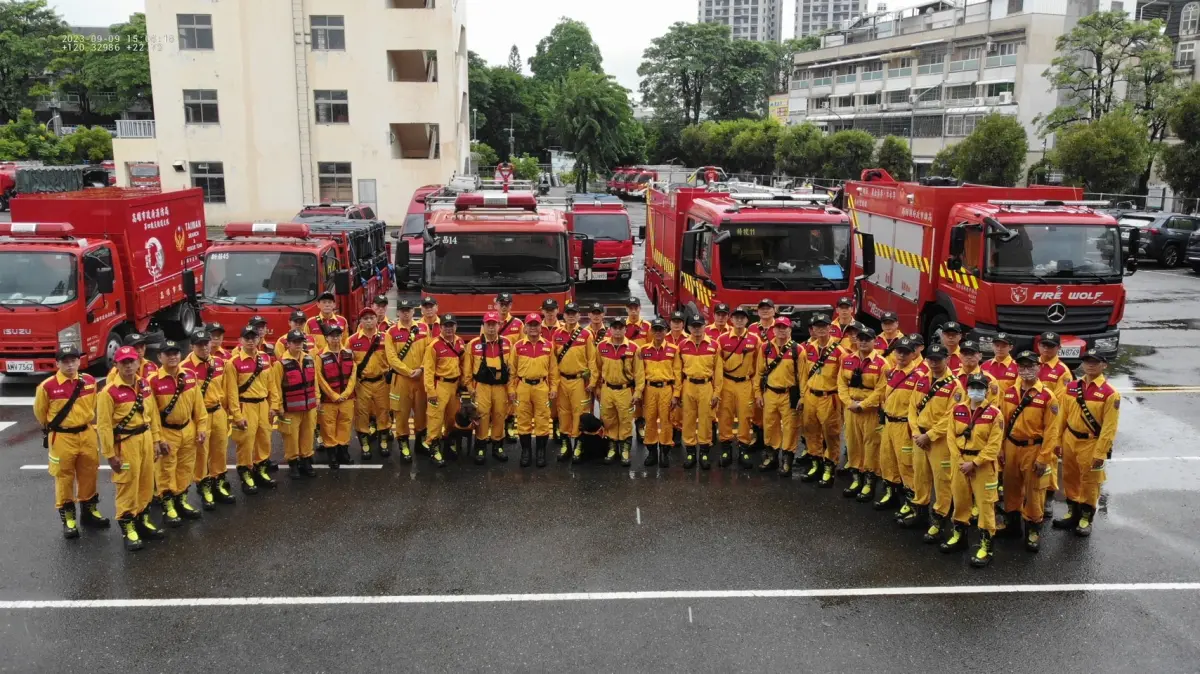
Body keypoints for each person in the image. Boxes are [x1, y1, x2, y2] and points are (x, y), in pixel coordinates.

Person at [98, 346, 169, 551]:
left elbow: (153, 415)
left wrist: (156, 441)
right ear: (116, 365)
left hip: (145, 438)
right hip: (126, 442)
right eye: (124, 362)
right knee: (127, 485)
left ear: (138, 362)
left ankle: (142, 521)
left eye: (132, 361)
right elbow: (103, 426)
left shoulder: (145, 385)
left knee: (146, 483)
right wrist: (110, 455)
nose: (128, 366)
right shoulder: (108, 392)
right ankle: (128, 527)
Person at [34, 344, 106, 539]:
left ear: (79, 361)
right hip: (62, 437)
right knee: (64, 477)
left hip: (87, 433)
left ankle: (89, 512)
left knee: (90, 472)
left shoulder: (89, 381)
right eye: (65, 361)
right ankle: (69, 519)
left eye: (73, 360)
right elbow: (41, 414)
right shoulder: (47, 386)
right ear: (57, 363)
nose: (70, 364)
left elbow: (93, 406)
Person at [1052, 350, 1120, 537]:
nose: (1090, 365)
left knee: (1090, 482)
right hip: (1070, 439)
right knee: (1069, 478)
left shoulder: (1110, 393)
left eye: (1095, 362)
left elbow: (1109, 427)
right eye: (1087, 361)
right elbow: (1062, 416)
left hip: (1091, 442)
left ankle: (1086, 517)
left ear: (1104, 365)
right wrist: (1058, 440)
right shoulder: (1072, 387)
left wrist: (1101, 453)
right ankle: (1072, 512)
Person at [999, 350, 1061, 552]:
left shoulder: (1047, 397)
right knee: (1010, 487)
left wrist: (1044, 458)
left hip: (1033, 449)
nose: (1026, 370)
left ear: (1039, 367)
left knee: (1034, 491)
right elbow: (1003, 424)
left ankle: (1033, 529)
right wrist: (1001, 449)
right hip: (1011, 446)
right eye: (1022, 366)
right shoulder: (1009, 392)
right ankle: (1012, 525)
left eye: (1030, 366)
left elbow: (1052, 432)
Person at [907, 344, 965, 543]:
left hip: (938, 441)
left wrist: (928, 436)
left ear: (947, 359)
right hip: (919, 438)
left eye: (938, 359)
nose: (933, 363)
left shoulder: (955, 386)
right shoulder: (922, 380)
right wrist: (916, 432)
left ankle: (940, 520)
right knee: (920, 476)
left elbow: (950, 417)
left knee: (942, 481)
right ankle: (920, 512)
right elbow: (912, 409)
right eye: (930, 359)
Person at [945, 374, 1004, 567]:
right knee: (960, 501)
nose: (975, 391)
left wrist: (975, 463)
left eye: (980, 387)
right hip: (960, 462)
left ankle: (986, 546)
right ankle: (959, 537)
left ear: (987, 390)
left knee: (985, 505)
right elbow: (951, 438)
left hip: (983, 466)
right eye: (972, 386)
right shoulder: (957, 410)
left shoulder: (994, 413)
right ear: (966, 388)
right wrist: (960, 461)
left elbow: (994, 445)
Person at [149, 340, 208, 526]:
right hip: (167, 432)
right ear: (160, 357)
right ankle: (168, 506)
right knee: (166, 470)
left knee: (185, 468)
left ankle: (181, 500)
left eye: (175, 353)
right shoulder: (152, 381)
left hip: (188, 429)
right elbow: (151, 415)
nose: (173, 356)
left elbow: (199, 406)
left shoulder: (189, 376)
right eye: (168, 353)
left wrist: (201, 428)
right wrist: (157, 439)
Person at [225, 326, 282, 493]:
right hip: (245, 405)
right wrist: (236, 414)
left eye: (253, 337)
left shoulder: (265, 358)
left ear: (259, 339)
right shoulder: (233, 363)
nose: (250, 341)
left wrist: (274, 405)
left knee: (264, 438)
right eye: (247, 338)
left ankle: (261, 469)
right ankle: (246, 473)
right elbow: (232, 392)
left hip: (263, 404)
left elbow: (271, 384)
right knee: (246, 441)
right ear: (240, 341)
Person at [182, 330, 234, 509]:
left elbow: (228, 390)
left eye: (206, 343)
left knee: (220, 449)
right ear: (191, 346)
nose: (204, 348)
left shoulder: (220, 363)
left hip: (218, 412)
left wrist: (231, 412)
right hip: (199, 417)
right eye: (199, 345)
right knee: (201, 454)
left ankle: (218, 482)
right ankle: (204, 487)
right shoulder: (184, 368)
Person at [838, 328, 888, 499]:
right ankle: (856, 479)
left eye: (867, 339)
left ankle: (869, 482)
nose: (863, 342)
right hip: (851, 408)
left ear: (875, 341)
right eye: (860, 339)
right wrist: (849, 403)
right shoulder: (847, 360)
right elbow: (841, 384)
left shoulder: (882, 363)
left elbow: (881, 390)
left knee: (871, 445)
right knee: (852, 444)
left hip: (870, 412)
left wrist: (863, 405)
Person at [877, 338, 924, 513]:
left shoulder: (919, 377)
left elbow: (919, 406)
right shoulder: (892, 372)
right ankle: (892, 494)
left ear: (913, 354)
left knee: (906, 465)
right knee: (887, 460)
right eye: (899, 351)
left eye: (906, 352)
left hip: (905, 427)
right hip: (889, 423)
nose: (902, 355)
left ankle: (912, 501)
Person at [798, 313, 846, 485]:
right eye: (817, 327)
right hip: (811, 395)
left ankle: (829, 467)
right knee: (811, 431)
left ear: (829, 328)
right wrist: (803, 397)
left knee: (831, 434)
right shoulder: (808, 349)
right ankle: (815, 463)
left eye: (823, 326)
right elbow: (803, 376)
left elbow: (843, 380)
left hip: (829, 398)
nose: (820, 330)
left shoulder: (840, 352)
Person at [675, 314, 723, 470]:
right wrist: (677, 393)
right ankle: (690, 453)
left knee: (706, 420)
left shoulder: (714, 345)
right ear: (688, 328)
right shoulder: (682, 346)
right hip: (688, 385)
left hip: (706, 386)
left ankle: (703, 452)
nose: (696, 329)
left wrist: (716, 393)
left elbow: (718, 372)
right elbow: (677, 372)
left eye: (699, 326)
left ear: (705, 327)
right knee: (688, 419)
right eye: (693, 326)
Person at [510, 314, 559, 467]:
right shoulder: (517, 346)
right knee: (523, 420)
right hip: (523, 387)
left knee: (543, 420)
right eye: (530, 325)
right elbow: (512, 370)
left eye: (536, 325)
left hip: (541, 387)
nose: (533, 328)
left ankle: (540, 452)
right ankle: (526, 452)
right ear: (525, 327)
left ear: (540, 327)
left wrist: (554, 387)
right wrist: (511, 389)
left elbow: (553, 370)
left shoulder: (548, 346)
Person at [464, 312, 512, 465]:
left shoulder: (507, 344)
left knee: (499, 415)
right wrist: (470, 388)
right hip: (482, 387)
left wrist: (511, 390)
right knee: (482, 416)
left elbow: (511, 370)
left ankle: (498, 446)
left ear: (499, 325)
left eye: (494, 324)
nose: (491, 327)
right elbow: (467, 370)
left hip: (500, 388)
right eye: (488, 324)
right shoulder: (473, 344)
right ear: (483, 325)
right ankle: (480, 447)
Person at [551, 302, 597, 463]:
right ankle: (565, 445)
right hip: (562, 380)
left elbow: (592, 360)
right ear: (563, 316)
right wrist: (554, 383)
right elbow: (553, 362)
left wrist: (592, 381)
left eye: (574, 313)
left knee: (579, 414)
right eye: (568, 313)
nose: (571, 316)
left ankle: (579, 445)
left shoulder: (586, 335)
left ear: (579, 315)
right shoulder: (557, 334)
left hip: (579, 381)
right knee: (563, 414)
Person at [386, 299, 430, 461]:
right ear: (397, 312)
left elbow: (429, 352)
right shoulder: (390, 333)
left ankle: (420, 443)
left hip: (420, 379)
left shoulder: (423, 329)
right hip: (401, 381)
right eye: (402, 310)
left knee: (421, 413)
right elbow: (391, 358)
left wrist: (422, 369)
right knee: (401, 414)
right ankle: (404, 445)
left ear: (414, 311)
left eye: (409, 309)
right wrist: (409, 371)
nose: (406, 313)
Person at [755, 317, 801, 474]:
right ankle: (771, 457)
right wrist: (758, 394)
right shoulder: (765, 348)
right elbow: (759, 373)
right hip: (770, 393)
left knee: (790, 428)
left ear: (790, 330)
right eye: (778, 327)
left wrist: (802, 398)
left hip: (789, 395)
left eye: (785, 327)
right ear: (773, 330)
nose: (781, 330)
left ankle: (787, 460)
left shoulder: (798, 350)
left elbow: (803, 377)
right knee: (770, 426)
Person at [596, 316, 643, 465]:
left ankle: (625, 450)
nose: (617, 330)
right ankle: (612, 448)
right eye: (614, 327)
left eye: (620, 327)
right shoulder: (601, 347)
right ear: (610, 329)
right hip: (607, 389)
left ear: (625, 329)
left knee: (625, 420)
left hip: (625, 391)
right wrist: (597, 388)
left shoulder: (634, 348)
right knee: (608, 419)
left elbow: (639, 374)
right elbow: (596, 369)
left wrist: (638, 392)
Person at [718, 307, 760, 469]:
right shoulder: (722, 339)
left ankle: (744, 449)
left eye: (743, 318)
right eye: (736, 317)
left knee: (745, 417)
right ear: (731, 320)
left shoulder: (755, 340)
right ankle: (726, 449)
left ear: (747, 320)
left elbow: (759, 365)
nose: (739, 320)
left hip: (745, 383)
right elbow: (717, 365)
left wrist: (756, 388)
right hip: (727, 383)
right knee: (725, 415)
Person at [423, 314, 466, 467]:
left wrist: (463, 384)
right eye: (445, 325)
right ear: (440, 327)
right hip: (439, 385)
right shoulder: (433, 345)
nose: (449, 328)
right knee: (435, 419)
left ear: (456, 326)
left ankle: (448, 443)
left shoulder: (460, 342)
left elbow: (462, 364)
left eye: (451, 325)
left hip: (454, 386)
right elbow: (428, 371)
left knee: (451, 418)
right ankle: (434, 448)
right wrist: (431, 392)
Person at [1037, 331, 1071, 517]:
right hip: (1031, 421)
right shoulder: (1033, 364)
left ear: (1058, 348)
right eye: (1044, 345)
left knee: (1049, 461)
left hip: (1050, 422)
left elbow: (1059, 401)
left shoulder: (1062, 371)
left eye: (1051, 346)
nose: (1047, 348)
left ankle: (1049, 497)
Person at [349, 307, 391, 461]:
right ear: (360, 321)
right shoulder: (352, 340)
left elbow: (392, 359)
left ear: (376, 320)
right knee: (361, 414)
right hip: (362, 384)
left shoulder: (386, 338)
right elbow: (348, 364)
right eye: (365, 318)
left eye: (371, 318)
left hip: (381, 382)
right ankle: (365, 445)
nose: (368, 321)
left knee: (384, 412)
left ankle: (383, 442)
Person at [315, 324, 357, 469]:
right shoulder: (320, 355)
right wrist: (333, 395)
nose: (335, 338)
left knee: (345, 424)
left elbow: (353, 375)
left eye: (338, 335)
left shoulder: (349, 353)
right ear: (326, 338)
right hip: (329, 400)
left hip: (347, 398)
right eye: (332, 336)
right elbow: (319, 378)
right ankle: (332, 454)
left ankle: (343, 452)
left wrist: (345, 394)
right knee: (328, 426)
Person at [278, 330, 319, 478]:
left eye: (300, 342)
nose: (298, 345)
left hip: (309, 407)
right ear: (288, 344)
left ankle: (306, 460)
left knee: (308, 435)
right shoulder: (281, 363)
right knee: (291, 437)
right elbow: (276, 387)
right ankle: (293, 463)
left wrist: (317, 398)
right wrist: (279, 407)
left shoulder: (309, 359)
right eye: (295, 342)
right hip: (291, 408)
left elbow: (314, 381)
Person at [639, 319, 679, 467]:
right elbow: (639, 373)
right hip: (649, 389)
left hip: (666, 389)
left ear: (665, 331)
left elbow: (678, 374)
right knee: (649, 420)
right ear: (651, 332)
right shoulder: (643, 350)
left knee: (666, 420)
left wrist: (676, 394)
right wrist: (639, 393)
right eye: (655, 329)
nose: (657, 332)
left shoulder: (673, 349)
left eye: (660, 329)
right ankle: (652, 452)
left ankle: (665, 452)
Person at [956, 340, 1000, 406]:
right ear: (959, 356)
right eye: (965, 354)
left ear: (980, 356)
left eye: (972, 354)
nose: (969, 357)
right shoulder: (951, 375)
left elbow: (991, 407)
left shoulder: (989, 379)